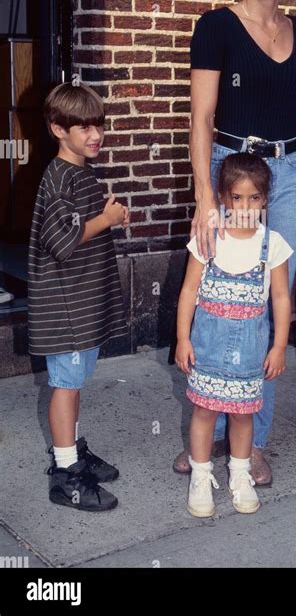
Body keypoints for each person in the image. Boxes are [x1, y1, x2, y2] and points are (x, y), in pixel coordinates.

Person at [173, 0, 296, 485]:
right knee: (216, 294)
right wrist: (206, 196)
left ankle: (251, 443)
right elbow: (200, 117)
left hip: (292, 171)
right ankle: (207, 431)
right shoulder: (216, 27)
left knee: (270, 301)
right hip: (231, 173)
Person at [28, 82, 129, 512]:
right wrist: (106, 219)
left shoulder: (79, 172)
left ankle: (71, 449)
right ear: (57, 129)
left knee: (74, 383)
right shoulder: (58, 179)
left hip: (80, 304)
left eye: (98, 126)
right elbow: (62, 241)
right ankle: (65, 474)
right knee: (65, 386)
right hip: (65, 308)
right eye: (83, 127)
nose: (94, 135)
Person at [175, 152, 292, 516]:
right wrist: (182, 338)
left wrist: (280, 346)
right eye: (236, 198)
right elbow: (189, 290)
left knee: (243, 414)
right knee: (205, 411)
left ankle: (240, 475)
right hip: (207, 348)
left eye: (254, 198)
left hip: (251, 351)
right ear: (223, 198)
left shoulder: (271, 245)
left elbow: (281, 297)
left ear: (265, 199)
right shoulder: (207, 238)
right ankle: (200, 475)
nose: (245, 206)